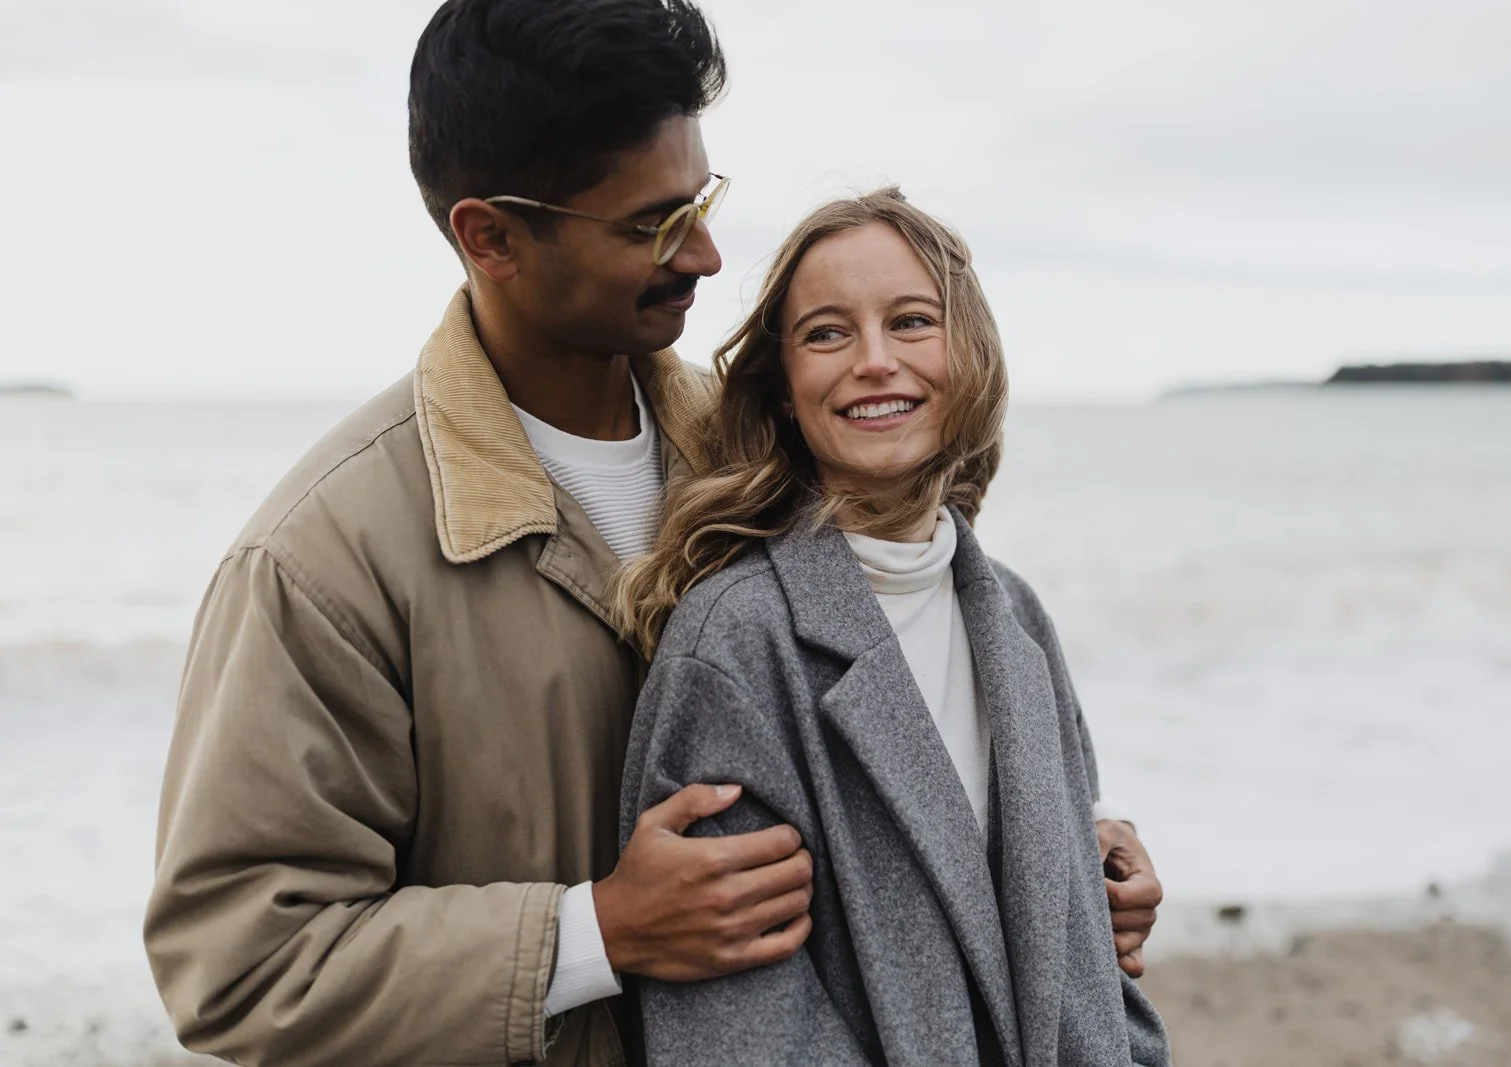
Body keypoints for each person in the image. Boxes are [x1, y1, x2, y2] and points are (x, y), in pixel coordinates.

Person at [143, 1, 1162, 1064]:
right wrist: (596, 931)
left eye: (701, 201)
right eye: (650, 226)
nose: (710, 256)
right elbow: (242, 968)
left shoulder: (766, 457)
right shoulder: (323, 560)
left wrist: (1058, 855)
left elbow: (921, 713)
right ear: (490, 235)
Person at [614, 189, 1171, 1066]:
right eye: (828, 333)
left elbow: (1087, 951)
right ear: (787, 389)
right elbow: (737, 1020)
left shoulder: (1015, 614)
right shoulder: (737, 640)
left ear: (971, 355)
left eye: (911, 321)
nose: (875, 361)